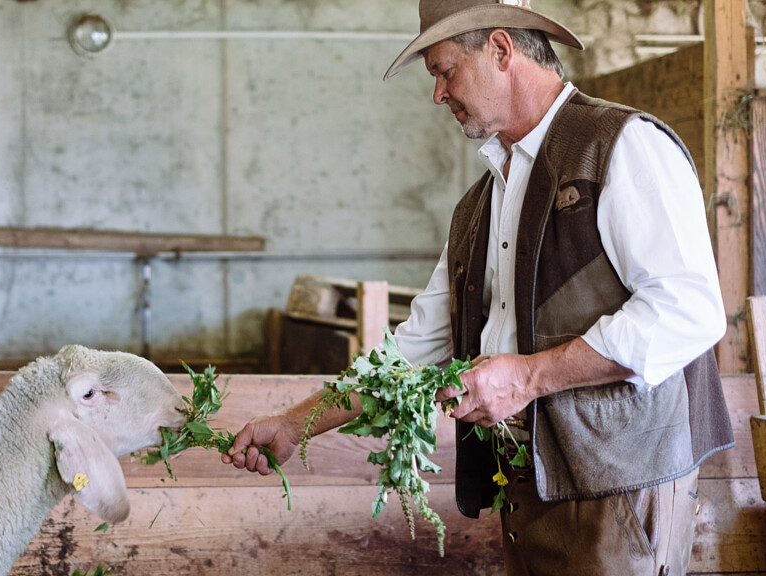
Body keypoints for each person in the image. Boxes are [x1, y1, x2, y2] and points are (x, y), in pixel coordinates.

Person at [221, 1, 735, 574]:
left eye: (444, 71)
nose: (438, 94)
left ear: (500, 49)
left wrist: (527, 377)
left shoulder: (623, 144)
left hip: (620, 484)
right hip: (523, 482)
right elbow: (412, 351)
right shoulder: (481, 203)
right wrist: (297, 423)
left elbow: (690, 310)